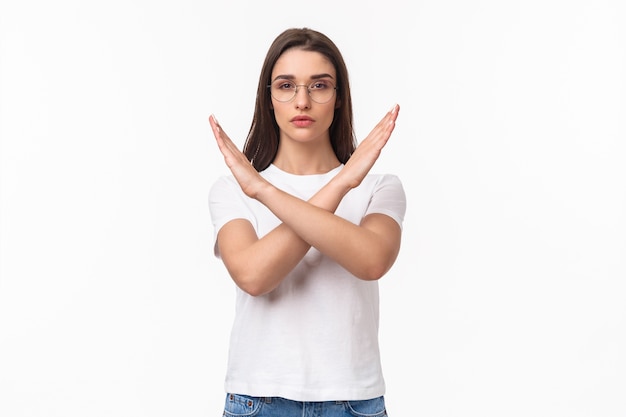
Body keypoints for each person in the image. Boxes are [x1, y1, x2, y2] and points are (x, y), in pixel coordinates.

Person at [208, 27, 406, 417]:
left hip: (353, 401)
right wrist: (339, 184)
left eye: (319, 85)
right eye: (286, 85)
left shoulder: (379, 187)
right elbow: (254, 276)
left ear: (338, 97)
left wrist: (270, 192)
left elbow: (372, 261)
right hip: (257, 400)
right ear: (269, 100)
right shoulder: (232, 189)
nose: (302, 101)